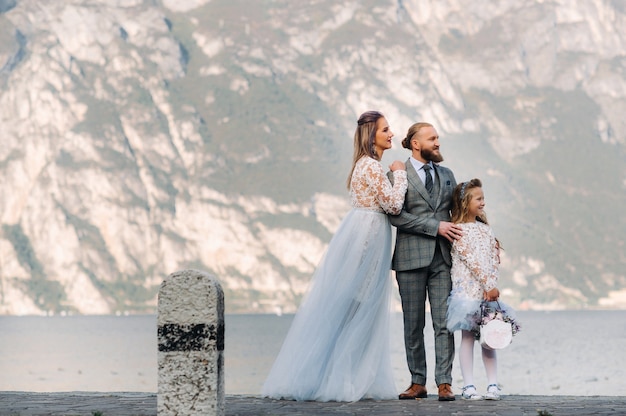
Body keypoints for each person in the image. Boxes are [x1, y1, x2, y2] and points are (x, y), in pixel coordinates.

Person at [261, 110, 408, 402]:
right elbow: (392, 205)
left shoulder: (365, 166)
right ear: (372, 136)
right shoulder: (371, 167)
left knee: (353, 307)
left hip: (364, 233)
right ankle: (338, 378)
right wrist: (401, 173)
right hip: (367, 239)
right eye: (385, 130)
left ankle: (340, 375)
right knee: (357, 307)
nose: (391, 134)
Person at [388, 122, 461, 401]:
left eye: (438, 137)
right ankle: (417, 382)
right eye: (432, 138)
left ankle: (445, 382)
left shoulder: (447, 174)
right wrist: (436, 227)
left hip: (442, 259)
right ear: (416, 143)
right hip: (409, 260)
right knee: (413, 323)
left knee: (444, 323)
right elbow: (396, 216)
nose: (438, 142)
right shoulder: (398, 174)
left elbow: (457, 214)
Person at [446, 178, 515, 401]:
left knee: (490, 337)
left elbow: (493, 259)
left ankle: (493, 385)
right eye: (479, 198)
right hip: (467, 294)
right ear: (466, 202)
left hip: (488, 294)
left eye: (483, 198)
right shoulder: (458, 231)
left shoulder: (486, 230)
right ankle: (468, 386)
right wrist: (487, 284)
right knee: (467, 338)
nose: (483, 202)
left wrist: (492, 286)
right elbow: (471, 260)